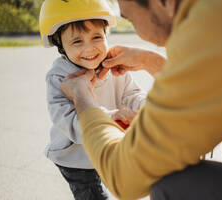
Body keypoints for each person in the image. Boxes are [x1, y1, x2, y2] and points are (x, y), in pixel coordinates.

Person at [60, 0, 222, 199]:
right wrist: (150, 61)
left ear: (162, 2)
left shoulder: (217, 32)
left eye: (131, 18)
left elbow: (123, 176)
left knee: (171, 185)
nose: (139, 32)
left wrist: (82, 99)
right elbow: (214, 86)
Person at [39, 0, 146, 199]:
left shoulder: (114, 64)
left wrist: (145, 107)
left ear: (106, 34)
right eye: (77, 41)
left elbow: (131, 94)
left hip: (108, 147)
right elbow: (67, 120)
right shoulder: (59, 77)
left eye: (96, 37)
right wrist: (111, 117)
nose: (90, 49)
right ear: (59, 44)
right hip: (76, 158)